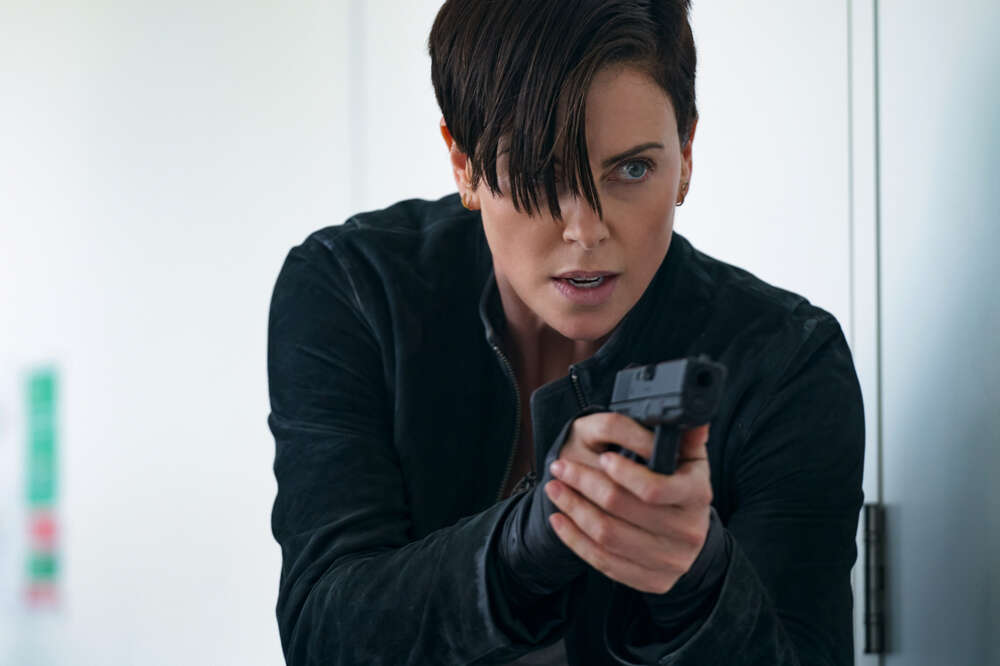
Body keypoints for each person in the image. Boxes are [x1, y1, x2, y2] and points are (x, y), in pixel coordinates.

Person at [266, 0, 865, 664]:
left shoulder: (785, 359)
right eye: (539, 174)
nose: (587, 230)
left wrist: (701, 585)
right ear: (463, 165)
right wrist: (524, 545)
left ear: (687, 155)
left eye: (632, 169)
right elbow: (323, 633)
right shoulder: (355, 288)